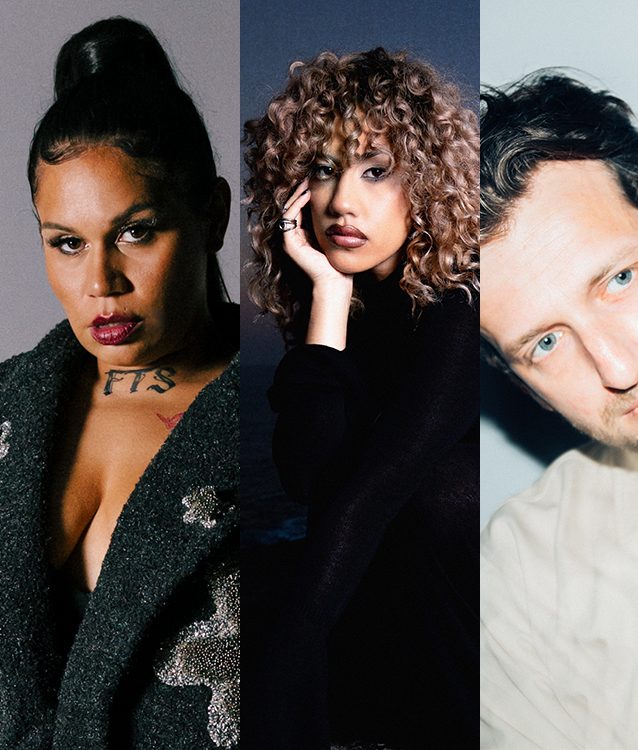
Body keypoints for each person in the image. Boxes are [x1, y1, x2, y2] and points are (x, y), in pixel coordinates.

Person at [0, 17, 238, 749]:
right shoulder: (13, 403)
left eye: (136, 232)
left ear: (212, 217)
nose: (100, 282)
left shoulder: (290, 412)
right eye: (67, 243)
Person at [241, 48, 479, 749]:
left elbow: (379, 489)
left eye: (376, 171)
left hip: (501, 615)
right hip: (402, 614)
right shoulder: (345, 301)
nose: (343, 201)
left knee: (435, 490)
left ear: (427, 184)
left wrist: (273, 688)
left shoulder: (462, 302)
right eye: (323, 170)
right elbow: (309, 476)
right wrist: (329, 297)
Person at [478, 72, 638, 748]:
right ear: (521, 384)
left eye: (618, 279)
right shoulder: (525, 572)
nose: (617, 368)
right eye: (546, 343)